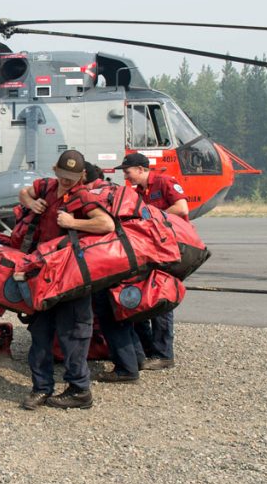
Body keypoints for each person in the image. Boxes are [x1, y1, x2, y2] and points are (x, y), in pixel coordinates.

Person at [18, 149, 115, 411]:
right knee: (40, 332)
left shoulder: (84, 197)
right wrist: (30, 203)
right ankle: (41, 388)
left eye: (72, 177)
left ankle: (80, 390)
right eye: (63, 175)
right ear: (55, 170)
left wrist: (74, 222)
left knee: (74, 334)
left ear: (82, 175)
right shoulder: (47, 187)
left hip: (71, 275)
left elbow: (106, 225)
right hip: (43, 274)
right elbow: (24, 192)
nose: (67, 181)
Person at [119, 152, 188, 370]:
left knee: (161, 298)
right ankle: (149, 348)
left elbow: (182, 208)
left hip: (170, 249)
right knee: (145, 297)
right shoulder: (138, 192)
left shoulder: (165, 182)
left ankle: (164, 354)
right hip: (153, 249)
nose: (127, 177)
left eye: (128, 172)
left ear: (140, 169)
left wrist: (153, 219)